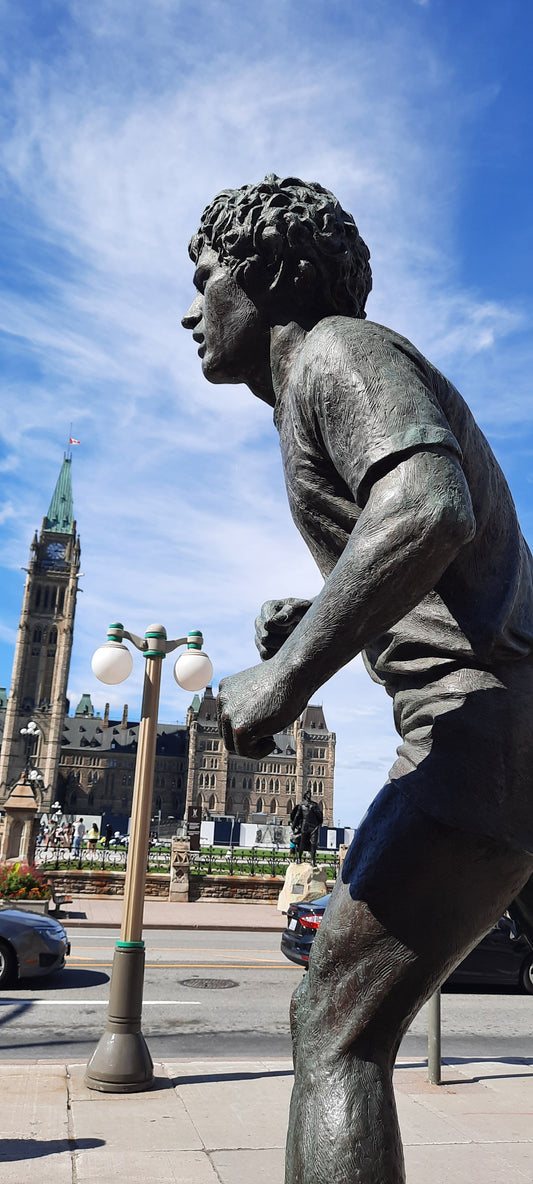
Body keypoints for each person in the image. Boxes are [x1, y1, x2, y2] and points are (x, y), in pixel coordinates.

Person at [183, 174, 533, 1184]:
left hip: (477, 729)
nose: (188, 308)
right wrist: (325, 601)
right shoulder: (316, 389)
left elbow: (427, 509)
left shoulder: (337, 351)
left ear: (272, 274)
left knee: (332, 1026)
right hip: (510, 723)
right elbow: (457, 561)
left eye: (204, 277)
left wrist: (288, 675)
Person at [290, 790, 323, 865]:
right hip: (305, 826)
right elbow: (297, 816)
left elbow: (320, 817)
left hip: (313, 827)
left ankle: (313, 860)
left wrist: (315, 811)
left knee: (313, 843)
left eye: (310, 794)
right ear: (305, 795)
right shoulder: (301, 805)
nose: (309, 795)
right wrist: (293, 826)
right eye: (308, 794)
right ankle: (299, 858)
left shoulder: (315, 805)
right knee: (302, 843)